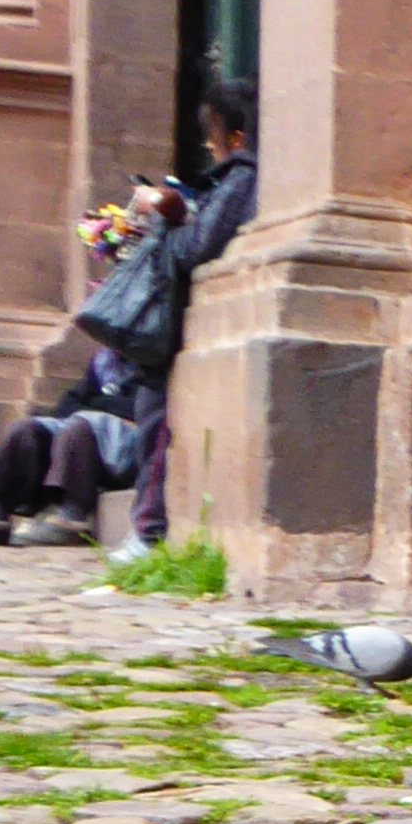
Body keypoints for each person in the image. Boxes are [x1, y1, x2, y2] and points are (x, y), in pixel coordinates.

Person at [119, 77, 259, 549]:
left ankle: (149, 533)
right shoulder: (238, 178)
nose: (207, 145)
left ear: (234, 138)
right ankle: (146, 530)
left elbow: (196, 248)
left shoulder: (240, 177)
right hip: (169, 333)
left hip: (174, 333)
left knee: (157, 433)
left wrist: (168, 215)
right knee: (151, 429)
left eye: (212, 135)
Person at [0, 343, 147, 547]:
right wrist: (100, 405)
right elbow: (68, 404)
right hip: (94, 436)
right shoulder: (105, 361)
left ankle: (72, 518)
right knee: (28, 429)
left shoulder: (153, 356)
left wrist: (98, 405)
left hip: (130, 447)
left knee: (81, 427)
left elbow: (139, 408)